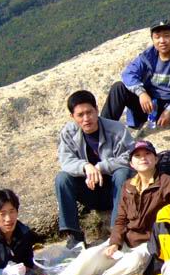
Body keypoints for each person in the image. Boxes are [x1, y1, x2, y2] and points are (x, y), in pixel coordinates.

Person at [28, 141, 170, 275]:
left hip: (149, 243)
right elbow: (120, 219)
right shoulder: (128, 185)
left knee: (135, 260)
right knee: (90, 255)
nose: (143, 158)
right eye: (137, 156)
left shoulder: (166, 182)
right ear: (131, 163)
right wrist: (115, 242)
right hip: (126, 239)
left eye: (147, 154)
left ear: (156, 159)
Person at [101, 20, 170, 169]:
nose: (162, 41)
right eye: (157, 37)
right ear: (152, 39)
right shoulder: (147, 57)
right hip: (150, 105)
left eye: (166, 36)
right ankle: (101, 136)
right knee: (118, 88)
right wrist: (141, 93)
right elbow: (128, 74)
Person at [56, 90, 134, 248]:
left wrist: (100, 166)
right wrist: (85, 166)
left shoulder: (117, 129)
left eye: (89, 112)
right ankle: (74, 235)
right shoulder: (69, 132)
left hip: (115, 190)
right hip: (89, 190)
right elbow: (66, 161)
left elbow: (130, 158)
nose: (86, 118)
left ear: (97, 110)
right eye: (80, 115)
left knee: (123, 173)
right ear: (72, 116)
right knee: (62, 178)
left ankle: (116, 229)